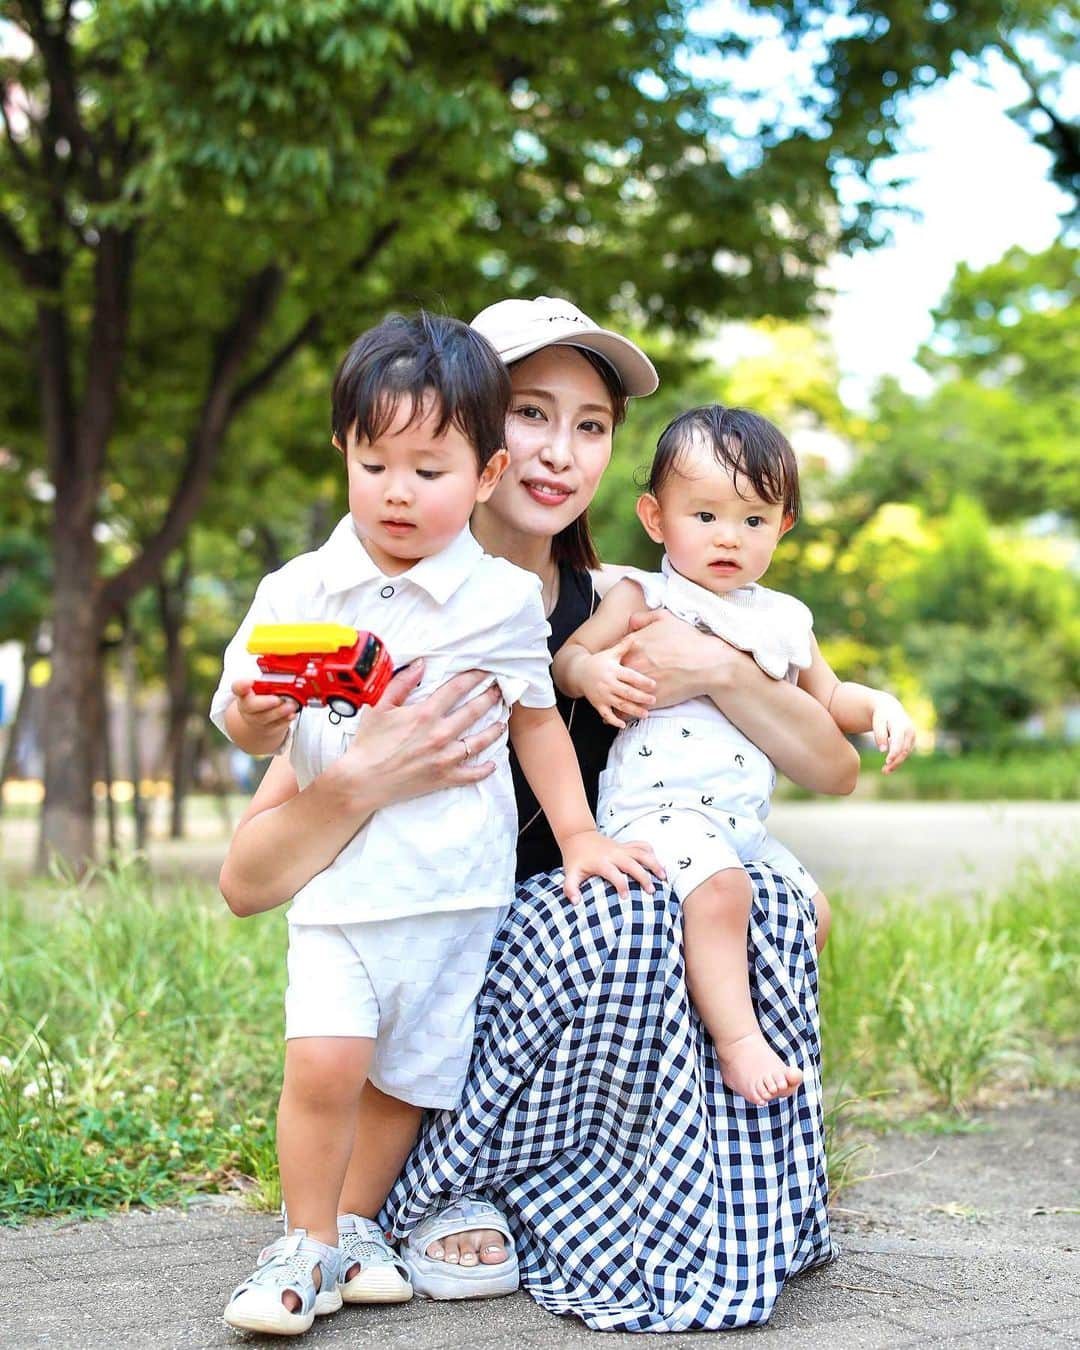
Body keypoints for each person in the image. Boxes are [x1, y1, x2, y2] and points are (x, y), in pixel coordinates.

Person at [219, 297, 861, 1332]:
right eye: (529, 413)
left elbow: (832, 764)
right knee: (592, 924)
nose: (559, 452)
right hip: (440, 935)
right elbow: (248, 881)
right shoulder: (372, 607)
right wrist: (363, 778)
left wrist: (720, 672)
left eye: (593, 425)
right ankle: (433, 1188)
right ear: (467, 428)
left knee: (754, 900)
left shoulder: (636, 600)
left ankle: (624, 1183)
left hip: (567, 947)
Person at [211, 311, 658, 1337]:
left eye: (430, 469)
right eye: (376, 465)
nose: (399, 492)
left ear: (483, 472)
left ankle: (356, 1230)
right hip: (341, 891)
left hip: (458, 894)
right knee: (322, 1063)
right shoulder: (301, 589)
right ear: (345, 455)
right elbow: (242, 720)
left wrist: (580, 836)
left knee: (409, 1077)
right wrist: (258, 716)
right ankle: (303, 1244)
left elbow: (537, 718)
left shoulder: (501, 602)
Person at [554, 404, 915, 1107]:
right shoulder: (643, 594)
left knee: (812, 910)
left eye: (753, 520)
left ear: (781, 526)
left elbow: (831, 697)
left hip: (739, 824)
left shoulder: (783, 619)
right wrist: (593, 675)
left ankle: (744, 1010)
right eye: (705, 516)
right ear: (657, 520)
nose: (729, 537)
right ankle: (737, 1043)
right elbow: (570, 658)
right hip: (658, 809)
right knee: (722, 892)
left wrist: (881, 710)